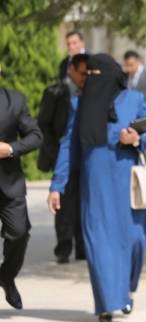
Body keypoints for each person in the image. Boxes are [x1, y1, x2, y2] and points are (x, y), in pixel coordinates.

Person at [47, 54, 146, 322]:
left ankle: (126, 291)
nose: (90, 79)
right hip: (95, 185)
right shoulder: (79, 104)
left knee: (135, 240)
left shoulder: (134, 99)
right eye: (88, 74)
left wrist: (135, 139)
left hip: (128, 183)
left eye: (95, 73)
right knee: (99, 243)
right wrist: (57, 185)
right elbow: (68, 146)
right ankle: (106, 304)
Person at [38, 53, 89, 264]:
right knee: (64, 204)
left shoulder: (92, 92)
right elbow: (43, 125)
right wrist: (55, 152)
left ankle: (83, 248)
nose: (84, 77)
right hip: (63, 156)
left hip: (85, 159)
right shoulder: (55, 93)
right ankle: (64, 247)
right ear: (71, 70)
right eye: (81, 73)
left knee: (83, 203)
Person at [0, 86, 43, 309]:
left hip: (9, 183)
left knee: (19, 234)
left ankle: (6, 277)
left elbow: (36, 136)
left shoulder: (15, 100)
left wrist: (10, 149)